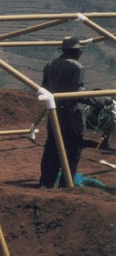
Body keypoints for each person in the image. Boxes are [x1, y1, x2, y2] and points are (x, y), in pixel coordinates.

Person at [38, 36, 87, 188]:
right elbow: (76, 93)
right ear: (76, 51)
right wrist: (97, 100)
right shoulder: (77, 67)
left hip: (54, 113)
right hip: (72, 116)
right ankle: (66, 185)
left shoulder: (50, 64)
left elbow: (44, 89)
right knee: (72, 150)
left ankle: (46, 182)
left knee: (52, 148)